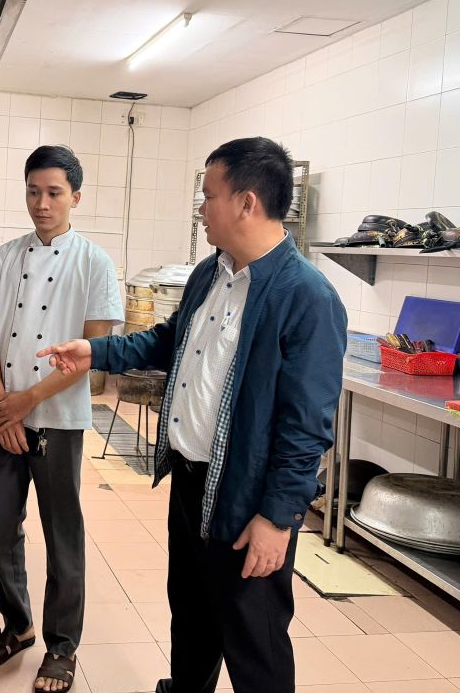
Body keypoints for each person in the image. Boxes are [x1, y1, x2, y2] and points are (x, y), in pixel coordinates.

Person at [38, 137, 347, 693]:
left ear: (247, 203)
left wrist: (277, 520)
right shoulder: (212, 273)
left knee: (255, 638)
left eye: (208, 196)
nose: (200, 209)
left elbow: (307, 428)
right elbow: (169, 341)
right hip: (189, 480)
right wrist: (96, 353)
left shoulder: (306, 297)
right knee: (193, 614)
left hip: (247, 496)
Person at [0, 144, 123, 692]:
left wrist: (28, 399)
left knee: (63, 536)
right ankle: (17, 626)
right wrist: (1, 404)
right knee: (1, 530)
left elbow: (95, 351)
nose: (41, 203)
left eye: (54, 192)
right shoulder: (6, 255)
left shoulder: (95, 263)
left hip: (57, 419)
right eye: (33, 191)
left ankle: (63, 646)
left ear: (75, 197)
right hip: (3, 416)